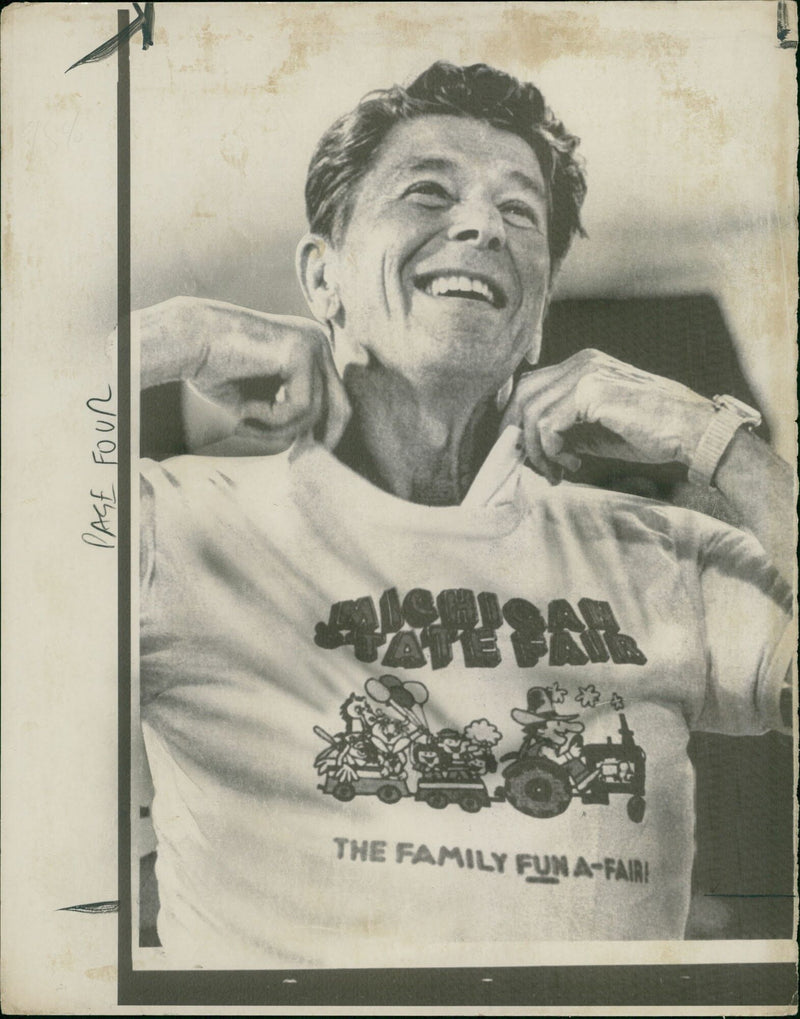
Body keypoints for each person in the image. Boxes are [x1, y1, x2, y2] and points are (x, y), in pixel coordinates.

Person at [137, 62, 794, 967]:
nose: (482, 225)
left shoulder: (665, 556)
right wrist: (169, 337)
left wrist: (715, 440)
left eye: (520, 212)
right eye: (428, 192)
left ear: (539, 309)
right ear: (320, 276)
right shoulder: (169, 528)